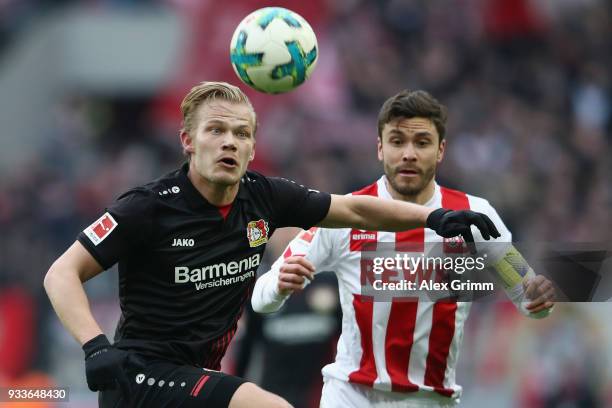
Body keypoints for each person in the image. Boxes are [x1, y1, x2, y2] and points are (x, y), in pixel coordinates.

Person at [43, 82, 500, 408]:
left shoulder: (263, 197)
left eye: (241, 134)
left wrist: (434, 218)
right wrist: (95, 345)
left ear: (253, 146)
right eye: (216, 131)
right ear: (187, 141)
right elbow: (61, 274)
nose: (230, 142)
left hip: (200, 376)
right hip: (139, 377)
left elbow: (358, 209)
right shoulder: (147, 208)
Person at [251, 89, 556, 407]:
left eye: (422, 142)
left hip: (432, 400)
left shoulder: (476, 216)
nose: (409, 153)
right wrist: (280, 286)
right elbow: (261, 299)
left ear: (440, 150)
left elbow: (527, 294)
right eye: (397, 141)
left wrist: (540, 300)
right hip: (352, 396)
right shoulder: (346, 213)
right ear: (380, 149)